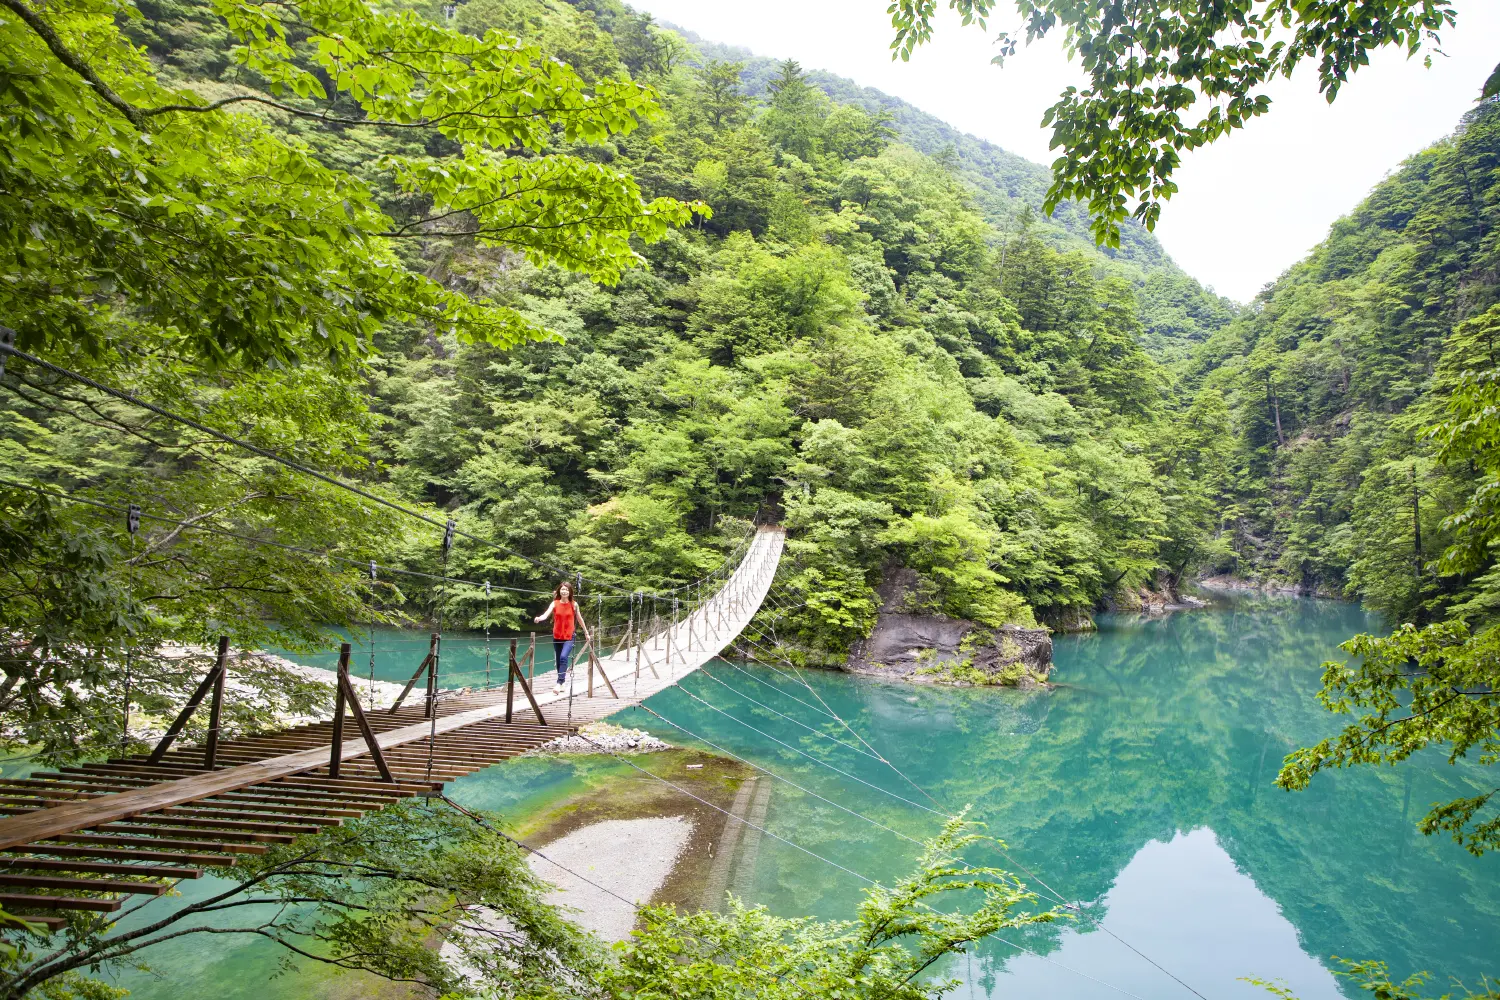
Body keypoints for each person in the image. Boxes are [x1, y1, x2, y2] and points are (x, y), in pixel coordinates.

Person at [535, 581, 580, 695]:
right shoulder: (554, 603)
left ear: (570, 592)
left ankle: (559, 683)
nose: (564, 591)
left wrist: (586, 633)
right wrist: (540, 618)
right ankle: (563, 682)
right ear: (559, 590)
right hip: (557, 636)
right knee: (559, 660)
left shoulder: (574, 604)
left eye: (566, 589)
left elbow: (579, 619)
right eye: (562, 589)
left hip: (569, 636)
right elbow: (546, 614)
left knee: (564, 657)